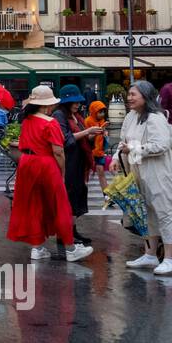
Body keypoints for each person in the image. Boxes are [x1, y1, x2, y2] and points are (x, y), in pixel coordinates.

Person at [7, 85, 93, 262]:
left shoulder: (27, 121)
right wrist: (61, 173)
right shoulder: (50, 122)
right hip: (45, 164)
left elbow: (22, 145)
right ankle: (70, 248)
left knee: (33, 205)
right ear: (47, 105)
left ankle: (37, 248)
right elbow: (58, 152)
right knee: (61, 205)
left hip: (27, 163)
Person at [112, 80, 172, 275]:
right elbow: (123, 142)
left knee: (166, 211)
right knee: (146, 214)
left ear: (146, 96)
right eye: (129, 94)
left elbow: (160, 144)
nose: (129, 98)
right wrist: (115, 158)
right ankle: (150, 254)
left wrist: (134, 149)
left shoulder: (155, 118)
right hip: (139, 171)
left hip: (159, 172)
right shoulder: (130, 117)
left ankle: (170, 259)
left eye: (133, 94)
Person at [52, 84, 105, 251]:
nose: (77, 104)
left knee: (76, 197)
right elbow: (65, 140)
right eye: (73, 102)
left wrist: (93, 134)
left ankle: (72, 231)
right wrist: (87, 131)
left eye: (78, 101)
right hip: (69, 162)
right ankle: (64, 235)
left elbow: (82, 139)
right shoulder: (59, 115)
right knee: (69, 198)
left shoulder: (77, 116)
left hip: (79, 161)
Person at [84, 99, 111, 191]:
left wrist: (105, 132)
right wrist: (99, 130)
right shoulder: (88, 121)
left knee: (101, 172)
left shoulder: (102, 120)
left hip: (99, 151)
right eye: (100, 112)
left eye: (103, 112)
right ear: (94, 111)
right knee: (85, 173)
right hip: (89, 152)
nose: (102, 114)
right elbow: (87, 137)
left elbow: (102, 133)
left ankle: (107, 195)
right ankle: (82, 192)